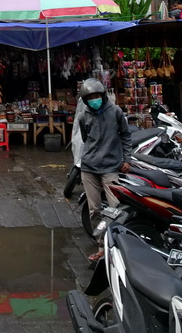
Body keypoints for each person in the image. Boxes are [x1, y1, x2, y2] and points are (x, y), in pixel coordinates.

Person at [77, 78, 131, 262]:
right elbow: (86, 138)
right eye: (90, 97)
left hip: (111, 167)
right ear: (85, 99)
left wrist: (127, 159)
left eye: (97, 95)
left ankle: (118, 247)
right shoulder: (83, 115)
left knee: (115, 209)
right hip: (89, 167)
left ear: (103, 95)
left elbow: (125, 135)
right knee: (95, 210)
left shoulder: (115, 112)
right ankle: (101, 246)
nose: (94, 99)